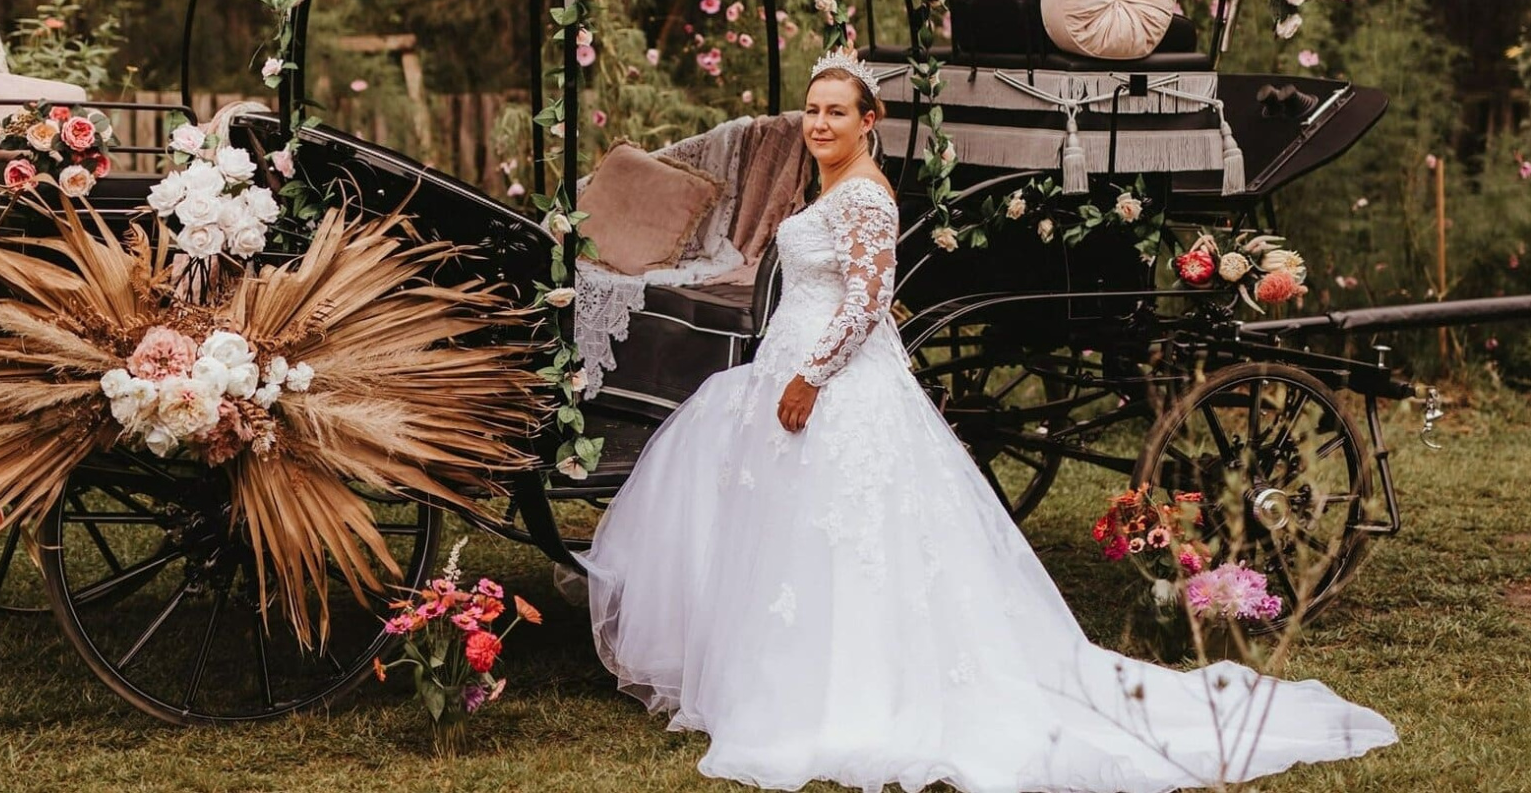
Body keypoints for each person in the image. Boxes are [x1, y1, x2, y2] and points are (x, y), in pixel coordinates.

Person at [569, 49, 1397, 792]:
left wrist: (810, 379)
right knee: (785, 533)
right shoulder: (827, 186)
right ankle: (772, 674)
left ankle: (847, 691)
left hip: (829, 379)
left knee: (845, 534)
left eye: (836, 112)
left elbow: (864, 303)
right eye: (812, 111)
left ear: (870, 122)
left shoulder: (866, 199)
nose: (819, 124)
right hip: (790, 364)